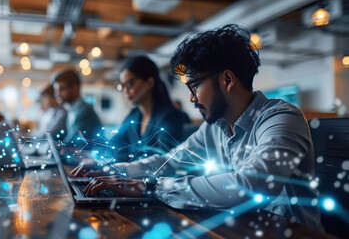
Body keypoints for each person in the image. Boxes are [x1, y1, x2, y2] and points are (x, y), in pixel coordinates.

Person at [71, 24, 322, 229]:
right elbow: (169, 162)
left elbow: (249, 185)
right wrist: (114, 170)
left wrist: (152, 187)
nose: (191, 98)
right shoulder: (216, 127)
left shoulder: (282, 118)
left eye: (195, 86)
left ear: (227, 80)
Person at [108, 55, 185, 162]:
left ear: (149, 82)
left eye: (130, 84)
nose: (125, 91)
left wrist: (126, 156)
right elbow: (113, 146)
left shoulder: (170, 116)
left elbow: (163, 159)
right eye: (123, 86)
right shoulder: (133, 115)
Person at [52, 69, 102, 144]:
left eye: (61, 89)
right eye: (56, 90)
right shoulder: (71, 110)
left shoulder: (85, 111)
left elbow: (73, 143)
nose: (57, 94)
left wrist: (59, 147)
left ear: (75, 88)